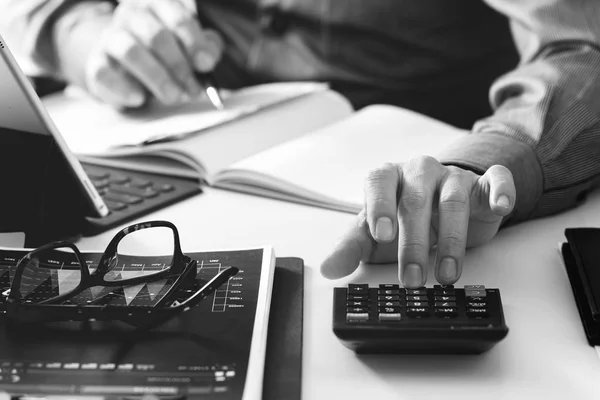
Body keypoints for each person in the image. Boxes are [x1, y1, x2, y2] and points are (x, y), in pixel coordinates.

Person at [2, 1, 600, 288]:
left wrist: (483, 161)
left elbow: (579, 46)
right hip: (150, 146)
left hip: (384, 185)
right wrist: (87, 34)